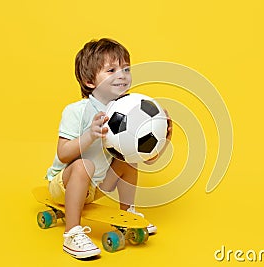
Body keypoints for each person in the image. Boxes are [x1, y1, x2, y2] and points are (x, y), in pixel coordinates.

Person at [45, 38, 173, 259]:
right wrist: (89, 135)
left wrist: (164, 139)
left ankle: (127, 215)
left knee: (127, 160)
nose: (122, 75)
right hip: (63, 184)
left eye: (126, 69)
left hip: (97, 186)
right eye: (111, 70)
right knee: (84, 164)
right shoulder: (76, 111)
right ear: (89, 81)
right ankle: (72, 233)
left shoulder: (131, 108)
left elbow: (146, 158)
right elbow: (63, 153)